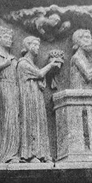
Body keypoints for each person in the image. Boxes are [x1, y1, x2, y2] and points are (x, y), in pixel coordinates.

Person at [17, 35, 62, 163]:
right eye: (34, 45)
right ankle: (31, 155)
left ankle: (42, 154)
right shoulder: (23, 63)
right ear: (27, 46)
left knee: (39, 123)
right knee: (31, 123)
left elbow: (41, 82)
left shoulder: (33, 65)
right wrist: (50, 65)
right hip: (28, 98)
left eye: (38, 45)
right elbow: (39, 74)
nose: (37, 48)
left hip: (37, 97)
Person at [0, 26, 20, 163]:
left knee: (14, 118)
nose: (9, 41)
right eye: (6, 37)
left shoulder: (13, 57)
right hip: (4, 85)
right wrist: (6, 63)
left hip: (14, 86)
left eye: (11, 38)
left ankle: (13, 151)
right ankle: (6, 153)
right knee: (8, 116)